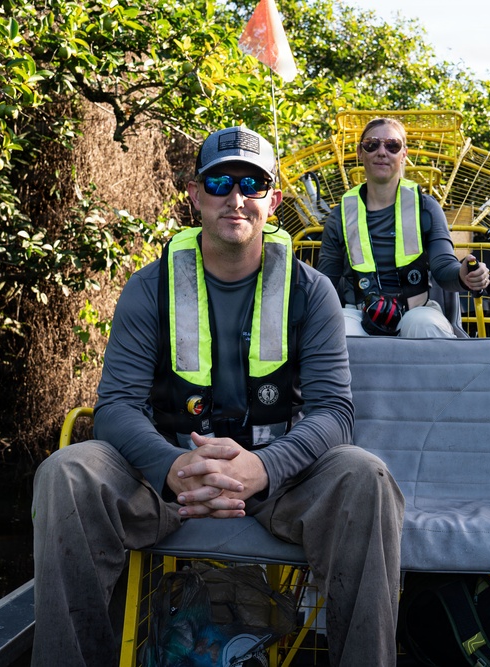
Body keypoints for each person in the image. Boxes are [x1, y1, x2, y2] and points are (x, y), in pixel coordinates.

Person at [31, 126, 405, 667]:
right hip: (162, 482)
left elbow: (333, 413)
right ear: (195, 193)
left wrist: (264, 467)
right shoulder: (149, 286)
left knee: (365, 478)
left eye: (252, 186)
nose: (236, 198)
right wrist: (173, 466)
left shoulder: (312, 290)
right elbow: (115, 407)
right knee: (67, 472)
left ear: (272, 201)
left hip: (279, 482)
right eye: (220, 181)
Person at [316, 117, 490, 337]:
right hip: (359, 313)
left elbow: (443, 266)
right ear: (360, 152)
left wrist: (464, 275)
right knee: (337, 330)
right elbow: (325, 279)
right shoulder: (340, 214)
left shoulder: (426, 207)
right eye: (372, 144)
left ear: (403, 154)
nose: (382, 152)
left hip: (417, 310)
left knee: (425, 325)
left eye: (392, 145)